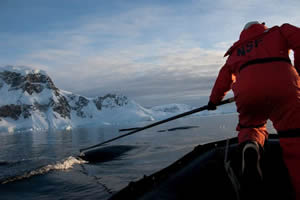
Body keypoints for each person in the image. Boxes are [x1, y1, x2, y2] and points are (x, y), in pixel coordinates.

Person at [207, 21, 300, 199]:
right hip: (284, 86)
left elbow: (223, 79)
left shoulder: (235, 51)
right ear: (261, 27)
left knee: (250, 125)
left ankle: (251, 144)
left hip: (248, 93)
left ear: (243, 33)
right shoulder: (279, 32)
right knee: (294, 136)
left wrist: (213, 101)